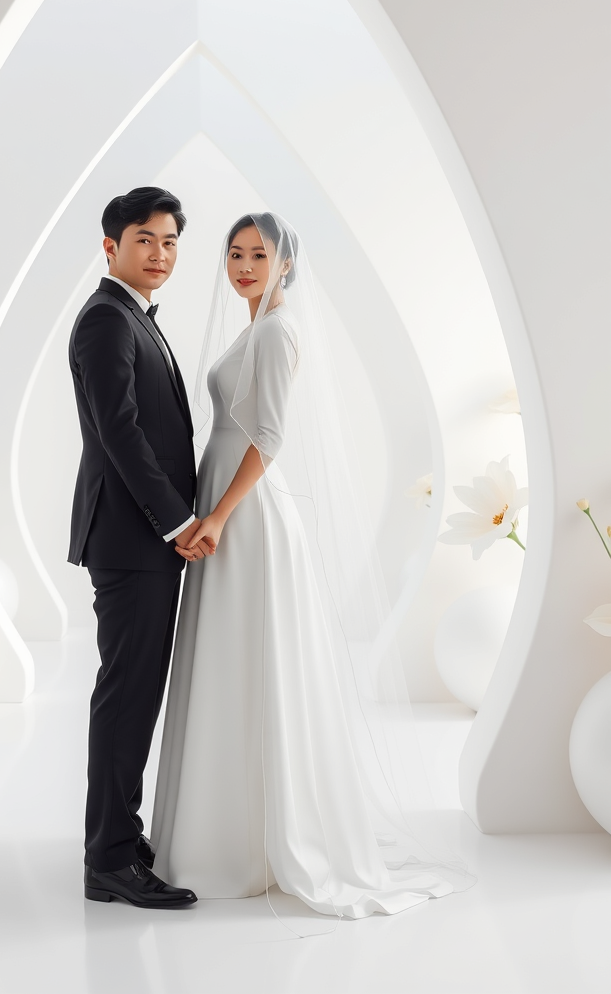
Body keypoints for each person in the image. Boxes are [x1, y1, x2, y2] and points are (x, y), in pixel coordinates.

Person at [151, 212, 455, 918]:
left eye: (261, 254)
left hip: (247, 515)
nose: (246, 265)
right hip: (226, 501)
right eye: (235, 253)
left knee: (250, 662)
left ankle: (257, 841)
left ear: (287, 264)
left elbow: (271, 435)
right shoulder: (255, 327)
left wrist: (220, 516)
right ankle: (225, 833)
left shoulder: (279, 331)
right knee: (228, 662)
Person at [67, 186, 212, 910]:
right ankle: (111, 862)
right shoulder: (104, 318)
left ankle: (120, 838)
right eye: (145, 239)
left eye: (170, 242)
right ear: (111, 246)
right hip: (130, 539)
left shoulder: (132, 316)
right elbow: (118, 431)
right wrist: (175, 521)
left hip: (140, 539)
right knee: (126, 698)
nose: (160, 254)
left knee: (136, 695)